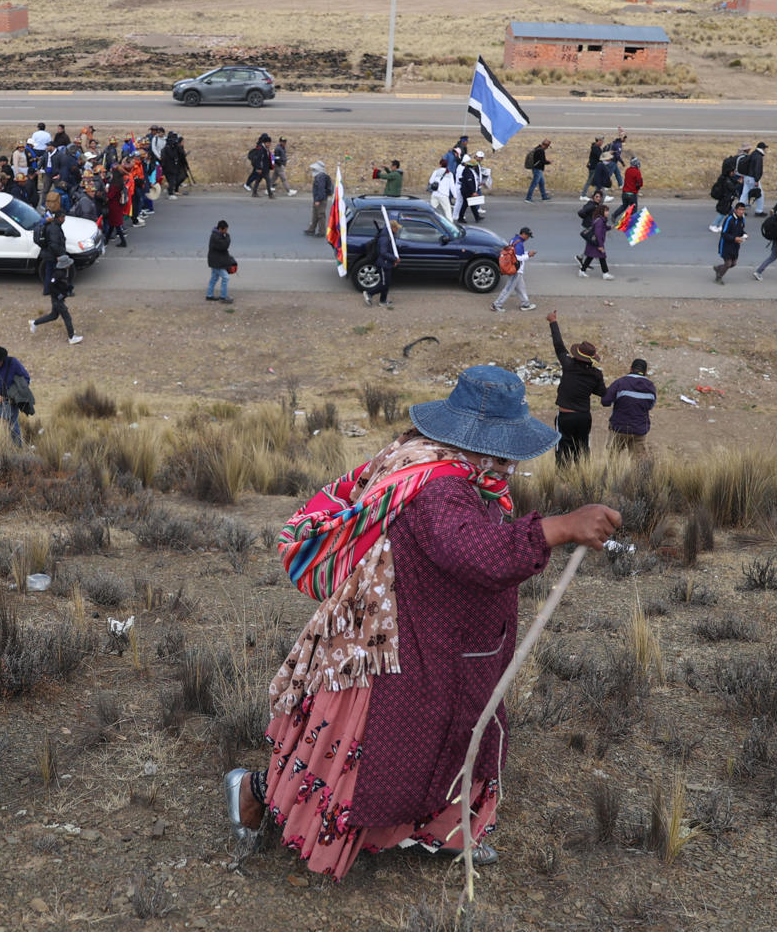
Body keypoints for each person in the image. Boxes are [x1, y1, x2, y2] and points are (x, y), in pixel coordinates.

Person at [222, 366, 620, 879]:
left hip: (436, 639)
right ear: (477, 444)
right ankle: (252, 793)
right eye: (503, 452)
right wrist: (559, 529)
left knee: (440, 740)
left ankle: (439, 831)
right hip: (401, 648)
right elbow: (473, 551)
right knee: (379, 754)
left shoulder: (434, 463)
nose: (509, 465)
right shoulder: (441, 488)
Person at [546, 311, 604, 465]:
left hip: (566, 417)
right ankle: (583, 480)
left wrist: (553, 322)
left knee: (562, 450)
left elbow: (558, 345)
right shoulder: (596, 374)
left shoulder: (568, 364)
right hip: (584, 417)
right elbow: (603, 394)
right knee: (583, 449)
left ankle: (563, 481)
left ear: (577, 354)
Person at [601, 358, 656, 457]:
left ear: (631, 369)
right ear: (645, 371)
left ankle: (612, 472)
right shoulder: (650, 387)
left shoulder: (620, 382)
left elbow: (605, 401)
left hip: (619, 428)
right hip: (639, 429)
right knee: (639, 463)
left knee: (612, 459)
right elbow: (650, 406)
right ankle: (638, 473)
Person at [31, 247, 82, 344]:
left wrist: (68, 288)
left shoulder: (62, 272)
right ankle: (71, 337)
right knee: (67, 317)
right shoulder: (58, 274)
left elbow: (62, 285)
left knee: (53, 316)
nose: (70, 265)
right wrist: (59, 295)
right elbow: (51, 286)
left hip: (58, 299)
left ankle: (35, 323)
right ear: (65, 265)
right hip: (57, 300)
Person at [491, 227, 535, 313]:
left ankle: (525, 304)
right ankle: (496, 305)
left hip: (514, 268)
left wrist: (526, 253)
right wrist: (529, 255)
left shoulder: (514, 240)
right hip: (516, 269)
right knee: (508, 288)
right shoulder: (519, 244)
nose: (528, 238)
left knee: (521, 288)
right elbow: (518, 257)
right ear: (523, 234)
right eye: (528, 236)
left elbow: (515, 253)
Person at [363, 216, 399, 310]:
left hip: (387, 263)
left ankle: (382, 301)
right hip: (383, 264)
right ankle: (369, 293)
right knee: (384, 284)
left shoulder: (389, 235)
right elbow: (383, 252)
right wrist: (394, 258)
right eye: (396, 228)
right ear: (392, 228)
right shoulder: (385, 238)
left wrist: (393, 260)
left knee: (387, 283)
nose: (397, 229)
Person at [712, 200, 748, 283]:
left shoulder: (742, 219)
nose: (741, 211)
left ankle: (718, 268)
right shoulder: (729, 219)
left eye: (743, 210)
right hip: (726, 244)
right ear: (735, 210)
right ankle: (719, 277)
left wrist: (745, 235)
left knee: (733, 263)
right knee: (728, 263)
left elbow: (741, 230)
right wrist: (735, 238)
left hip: (735, 245)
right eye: (740, 209)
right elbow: (724, 233)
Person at [577, 196, 611, 279]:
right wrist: (600, 246)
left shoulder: (600, 220)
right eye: (606, 211)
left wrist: (612, 227)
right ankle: (605, 273)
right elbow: (598, 233)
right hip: (597, 243)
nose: (608, 213)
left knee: (590, 257)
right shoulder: (600, 221)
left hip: (594, 242)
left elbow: (605, 228)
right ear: (602, 212)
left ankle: (582, 271)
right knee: (601, 257)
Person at [206, 219, 235, 304]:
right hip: (216, 262)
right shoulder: (216, 237)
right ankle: (223, 297)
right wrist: (228, 237)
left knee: (214, 278)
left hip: (215, 261)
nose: (226, 231)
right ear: (220, 229)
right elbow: (224, 246)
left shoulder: (217, 235)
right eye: (225, 229)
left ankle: (209, 295)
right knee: (225, 277)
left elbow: (222, 248)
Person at [611, 156, 642, 224]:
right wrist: (638, 187)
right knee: (633, 208)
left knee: (624, 206)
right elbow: (640, 183)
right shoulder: (637, 172)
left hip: (625, 193)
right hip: (632, 194)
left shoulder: (627, 170)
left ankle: (614, 215)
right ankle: (632, 222)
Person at [306, 164, 331, 237]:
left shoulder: (320, 177)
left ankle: (322, 231)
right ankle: (311, 229)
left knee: (320, 215)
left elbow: (321, 189)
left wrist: (318, 200)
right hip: (319, 198)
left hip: (320, 199)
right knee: (315, 214)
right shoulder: (321, 176)